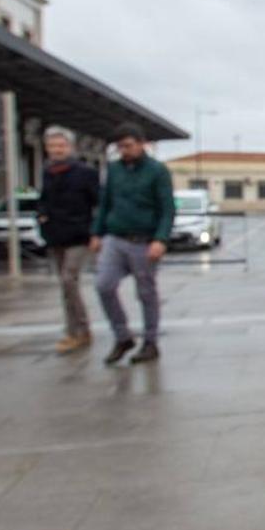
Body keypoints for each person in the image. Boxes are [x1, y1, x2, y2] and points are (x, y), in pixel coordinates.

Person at [90, 124, 175, 364]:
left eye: (128, 146)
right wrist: (97, 232)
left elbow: (167, 209)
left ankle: (150, 341)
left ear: (141, 143)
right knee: (104, 285)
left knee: (146, 293)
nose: (124, 151)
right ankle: (122, 336)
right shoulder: (114, 170)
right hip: (115, 239)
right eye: (120, 147)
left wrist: (161, 239)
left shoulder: (157, 171)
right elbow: (105, 203)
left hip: (144, 241)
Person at [38, 126, 100, 353]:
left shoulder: (85, 173)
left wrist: (96, 232)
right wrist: (42, 216)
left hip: (79, 236)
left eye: (61, 145)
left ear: (71, 148)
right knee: (65, 287)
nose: (57, 150)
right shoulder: (48, 172)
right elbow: (44, 199)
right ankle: (76, 330)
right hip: (55, 235)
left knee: (68, 280)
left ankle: (78, 330)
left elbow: (98, 203)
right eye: (52, 146)